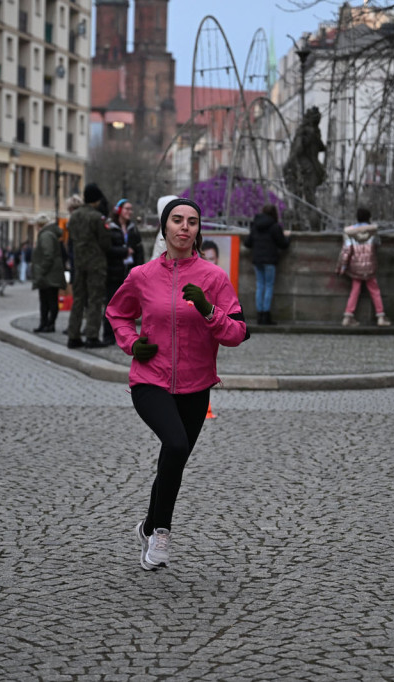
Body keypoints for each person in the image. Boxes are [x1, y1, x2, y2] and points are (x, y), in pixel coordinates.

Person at [106, 197, 249, 571]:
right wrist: (132, 343)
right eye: (177, 220)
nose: (185, 227)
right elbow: (117, 313)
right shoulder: (141, 276)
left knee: (175, 458)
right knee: (175, 443)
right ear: (164, 228)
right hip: (149, 379)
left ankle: (148, 524)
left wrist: (208, 310)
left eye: (192, 222)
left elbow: (237, 333)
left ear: (198, 230)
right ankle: (161, 534)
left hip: (195, 384)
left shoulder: (214, 278)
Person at [65, 183, 113, 349]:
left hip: (78, 263)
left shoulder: (75, 216)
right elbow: (105, 242)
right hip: (95, 264)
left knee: (78, 299)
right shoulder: (96, 217)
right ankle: (92, 336)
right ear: (97, 200)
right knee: (95, 300)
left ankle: (73, 335)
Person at [336, 207, 391, 327]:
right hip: (370, 266)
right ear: (369, 218)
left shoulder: (350, 232)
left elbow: (347, 250)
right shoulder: (372, 231)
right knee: (375, 291)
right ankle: (381, 316)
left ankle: (348, 316)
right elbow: (378, 243)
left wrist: (342, 267)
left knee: (355, 291)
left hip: (355, 267)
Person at [102, 199, 145, 345]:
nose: (129, 212)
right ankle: (108, 335)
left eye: (131, 209)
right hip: (113, 272)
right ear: (119, 210)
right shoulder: (110, 227)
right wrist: (124, 251)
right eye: (127, 209)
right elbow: (106, 249)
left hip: (128, 273)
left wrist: (139, 269)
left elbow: (139, 249)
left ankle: (124, 336)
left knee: (127, 307)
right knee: (111, 304)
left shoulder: (133, 229)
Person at [244, 204, 290, 325]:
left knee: (260, 286)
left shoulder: (255, 225)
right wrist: (288, 238)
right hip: (270, 260)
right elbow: (283, 244)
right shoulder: (275, 226)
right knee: (268, 286)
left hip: (257, 260)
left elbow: (247, 243)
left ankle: (259, 316)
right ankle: (266, 315)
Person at [31, 213, 66, 333]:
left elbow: (48, 255)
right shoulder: (49, 234)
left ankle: (48, 324)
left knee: (48, 300)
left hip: (48, 274)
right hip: (51, 274)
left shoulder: (45, 235)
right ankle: (46, 323)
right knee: (49, 300)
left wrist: (41, 270)